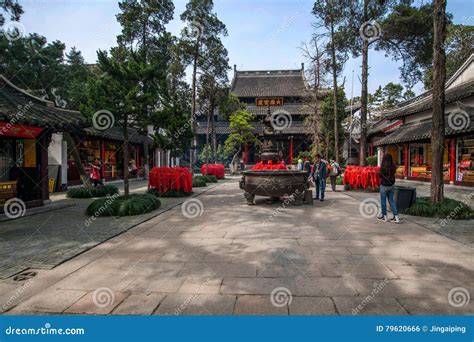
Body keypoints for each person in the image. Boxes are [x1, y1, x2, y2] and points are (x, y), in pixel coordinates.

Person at [377, 154, 400, 223]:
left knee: (383, 202)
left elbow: (380, 176)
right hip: (391, 186)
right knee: (391, 201)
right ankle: (396, 217)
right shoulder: (393, 167)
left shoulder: (382, 168)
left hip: (384, 186)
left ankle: (384, 216)